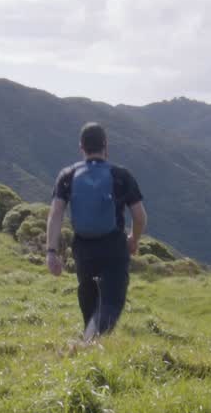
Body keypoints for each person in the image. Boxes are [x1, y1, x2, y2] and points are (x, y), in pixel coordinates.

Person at [45, 122, 147, 339]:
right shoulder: (121, 175)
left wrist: (51, 252)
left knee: (89, 296)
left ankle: (89, 342)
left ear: (81, 146)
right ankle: (88, 342)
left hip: (83, 248)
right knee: (111, 302)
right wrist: (133, 239)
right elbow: (139, 216)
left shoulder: (67, 175)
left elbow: (55, 215)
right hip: (113, 247)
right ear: (105, 146)